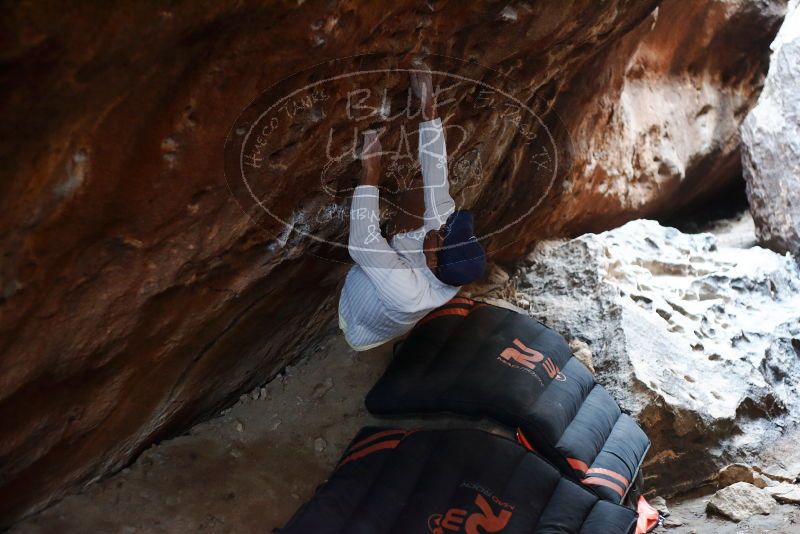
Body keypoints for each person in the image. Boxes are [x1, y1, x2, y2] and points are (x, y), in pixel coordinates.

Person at [338, 68, 486, 351]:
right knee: (420, 193)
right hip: (403, 272)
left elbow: (361, 243)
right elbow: (436, 176)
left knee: (373, 250)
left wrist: (371, 170)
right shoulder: (444, 261)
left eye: (442, 234)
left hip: (357, 319)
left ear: (433, 259)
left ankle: (351, 334)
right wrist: (428, 111)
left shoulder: (409, 294)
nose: (442, 226)